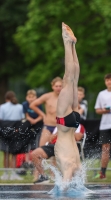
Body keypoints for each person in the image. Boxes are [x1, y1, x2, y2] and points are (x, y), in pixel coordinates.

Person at [54, 22, 81, 183]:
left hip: (73, 122)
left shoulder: (76, 166)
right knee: (69, 79)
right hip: (63, 124)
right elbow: (64, 185)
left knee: (74, 79)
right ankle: (67, 41)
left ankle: (73, 44)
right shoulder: (68, 167)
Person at [30, 77, 62, 146]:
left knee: (58, 151)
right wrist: (43, 115)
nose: (58, 88)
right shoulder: (47, 96)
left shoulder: (66, 98)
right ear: (53, 87)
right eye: (56, 86)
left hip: (60, 128)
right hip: (48, 126)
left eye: (60, 86)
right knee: (41, 148)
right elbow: (32, 105)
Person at [0, 91, 24, 180]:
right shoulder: (20, 106)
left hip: (4, 132)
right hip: (15, 131)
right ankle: (13, 173)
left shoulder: (2, 107)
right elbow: (22, 119)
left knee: (6, 154)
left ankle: (6, 174)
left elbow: (0, 119)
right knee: (14, 154)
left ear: (6, 99)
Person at [18, 89, 43, 170]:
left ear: (36, 97)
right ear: (26, 98)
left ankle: (37, 155)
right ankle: (26, 158)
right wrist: (30, 120)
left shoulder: (38, 104)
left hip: (38, 121)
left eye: (33, 97)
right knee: (24, 131)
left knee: (37, 137)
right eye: (29, 97)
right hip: (29, 121)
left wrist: (35, 121)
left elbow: (41, 115)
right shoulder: (25, 104)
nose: (31, 99)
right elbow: (26, 115)